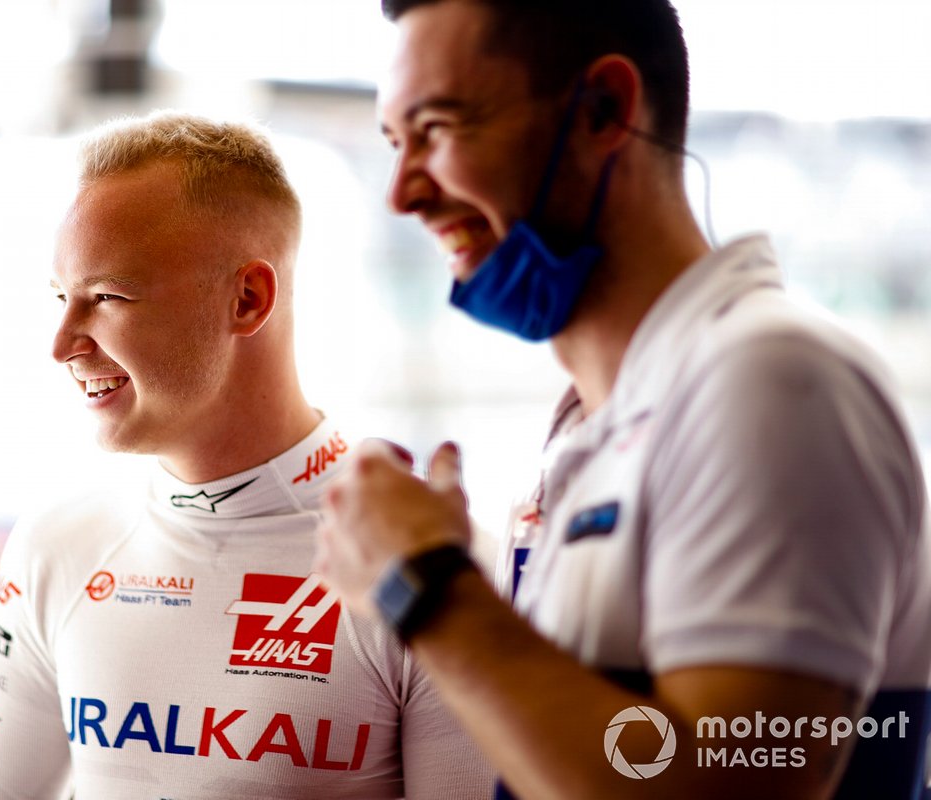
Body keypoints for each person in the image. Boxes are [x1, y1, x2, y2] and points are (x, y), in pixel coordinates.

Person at [314, 1, 931, 798]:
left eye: (437, 128)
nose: (402, 193)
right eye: (394, 143)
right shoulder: (602, 419)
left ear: (604, 108)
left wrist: (425, 590)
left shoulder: (770, 378)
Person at [0, 111, 493, 799]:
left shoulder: (429, 562)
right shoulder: (57, 546)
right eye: (62, 298)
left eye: (107, 297)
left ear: (247, 298)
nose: (62, 344)